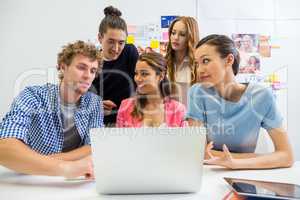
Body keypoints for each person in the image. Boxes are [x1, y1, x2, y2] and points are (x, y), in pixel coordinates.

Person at [186, 34, 294, 169]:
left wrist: (235, 163)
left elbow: (286, 155)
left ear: (229, 60)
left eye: (206, 61)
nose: (200, 69)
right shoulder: (197, 93)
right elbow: (198, 153)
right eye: (197, 63)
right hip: (208, 174)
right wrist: (260, 158)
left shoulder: (261, 96)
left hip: (246, 174)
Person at [0, 40, 104, 178]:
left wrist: (55, 159)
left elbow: (94, 146)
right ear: (63, 67)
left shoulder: (94, 103)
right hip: (31, 180)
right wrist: (67, 168)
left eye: (93, 70)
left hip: (78, 181)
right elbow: (4, 147)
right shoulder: (33, 96)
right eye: (81, 67)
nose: (88, 76)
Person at [91, 6, 139, 126]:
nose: (116, 48)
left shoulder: (129, 52)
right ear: (100, 38)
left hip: (129, 122)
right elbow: (78, 98)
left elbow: (142, 82)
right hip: (100, 123)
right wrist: (96, 106)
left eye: (121, 42)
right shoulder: (91, 61)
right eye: (111, 42)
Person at [117, 52, 186, 127]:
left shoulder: (178, 109)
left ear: (160, 76)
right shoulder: (126, 106)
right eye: (136, 73)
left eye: (144, 74)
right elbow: (120, 138)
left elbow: (185, 138)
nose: (138, 79)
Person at [165, 16, 200, 106]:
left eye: (182, 34)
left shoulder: (197, 65)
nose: (176, 37)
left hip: (191, 117)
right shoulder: (164, 63)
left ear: (191, 37)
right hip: (168, 116)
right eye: (173, 33)